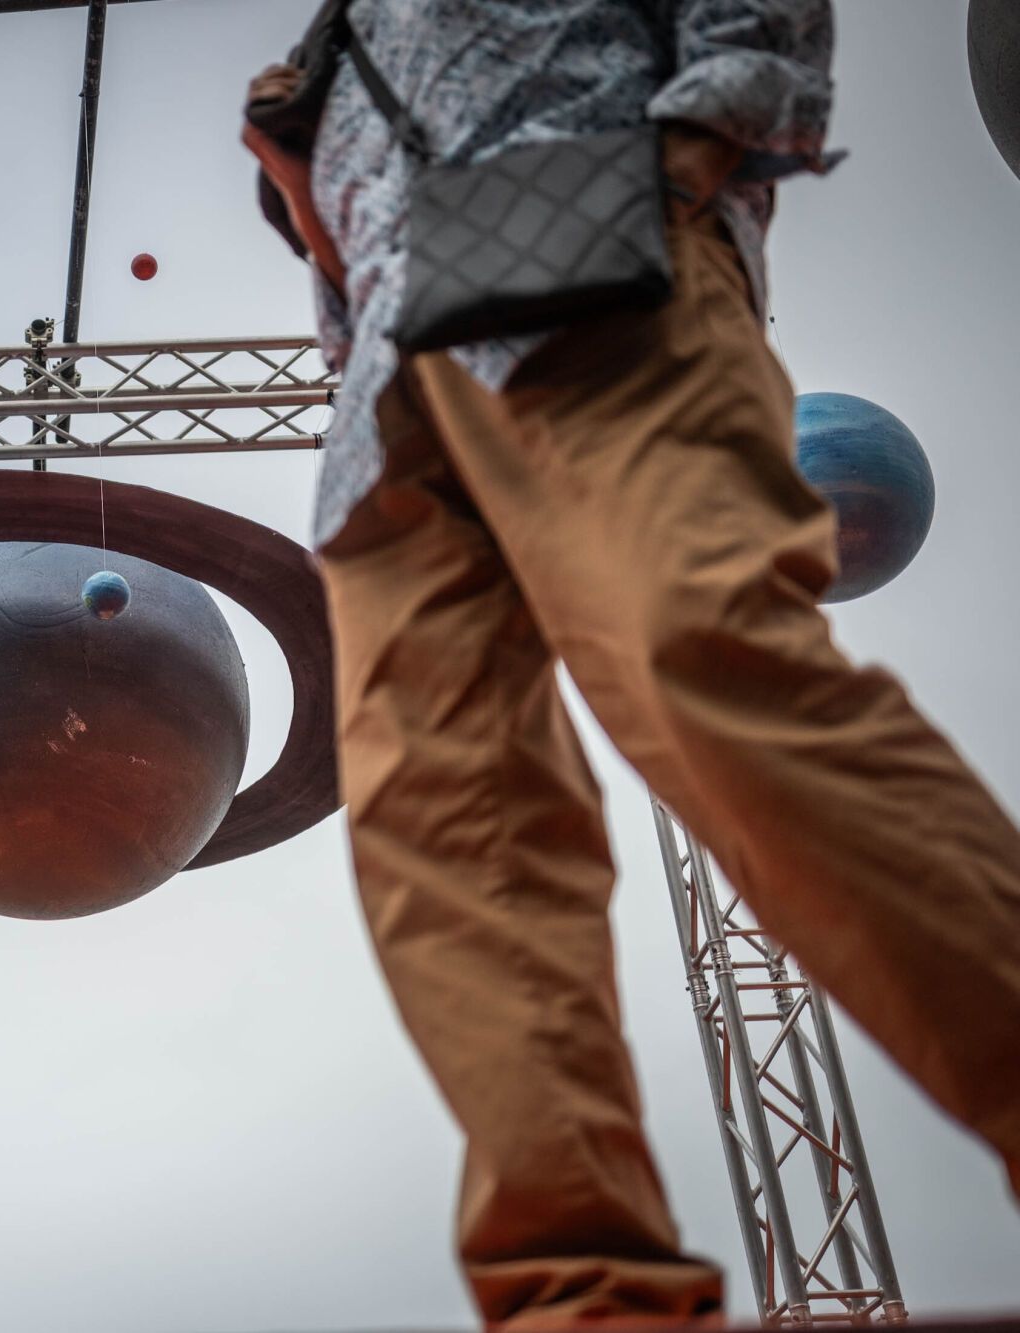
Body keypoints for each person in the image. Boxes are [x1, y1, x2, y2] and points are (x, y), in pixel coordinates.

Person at [244, 2, 1020, 1326]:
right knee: (444, 825)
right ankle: (580, 1292)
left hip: (602, 256)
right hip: (386, 390)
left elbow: (761, 28)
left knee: (710, 675)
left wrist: (673, 175)